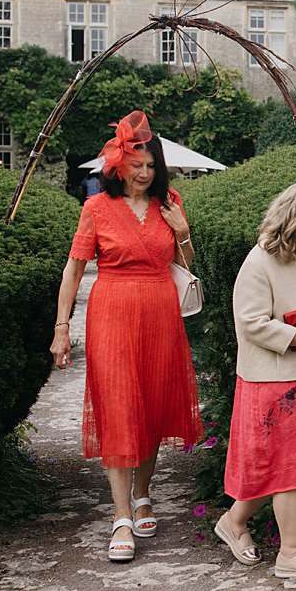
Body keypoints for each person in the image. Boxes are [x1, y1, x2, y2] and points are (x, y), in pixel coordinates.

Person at [50, 110, 203, 564]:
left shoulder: (169, 202)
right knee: (117, 407)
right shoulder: (96, 207)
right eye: (137, 164)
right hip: (112, 313)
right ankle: (120, 515)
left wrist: (184, 233)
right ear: (118, 164)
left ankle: (142, 493)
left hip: (160, 311)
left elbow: (187, 266)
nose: (144, 173)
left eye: (151, 165)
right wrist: (61, 329)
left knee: (152, 406)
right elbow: (75, 268)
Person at [214, 182, 296, 581]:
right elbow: (251, 324)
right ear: (295, 220)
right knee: (290, 467)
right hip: (275, 381)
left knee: (285, 464)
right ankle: (292, 553)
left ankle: (233, 522)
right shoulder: (260, 261)